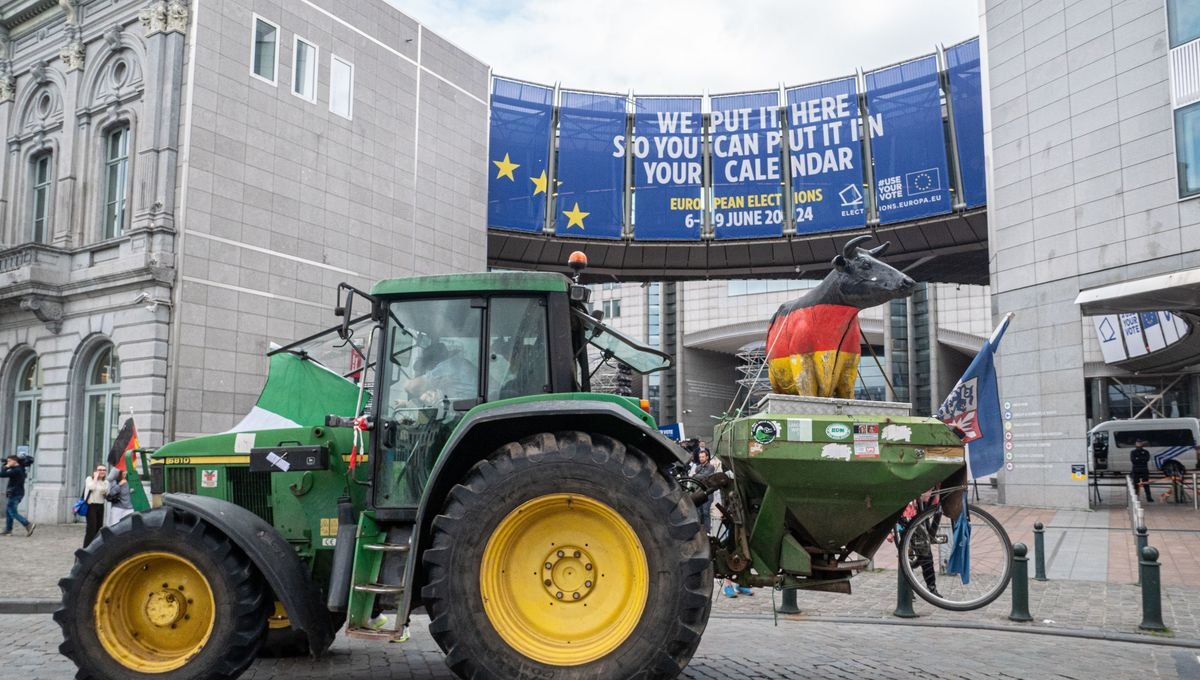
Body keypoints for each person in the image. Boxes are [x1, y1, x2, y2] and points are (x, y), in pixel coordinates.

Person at [0, 455, 35, 537]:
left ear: (14, 461)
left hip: (14, 493)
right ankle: (8, 530)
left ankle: (28, 524)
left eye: (9, 461)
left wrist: (5, 466)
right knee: (9, 512)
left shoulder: (16, 470)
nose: (7, 463)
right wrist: (7, 465)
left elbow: (1, 474)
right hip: (17, 493)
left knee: (12, 512)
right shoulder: (20, 469)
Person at [691, 450, 716, 533]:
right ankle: (700, 530)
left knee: (705, 512)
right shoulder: (698, 467)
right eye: (700, 457)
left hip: (707, 493)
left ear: (707, 457)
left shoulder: (711, 467)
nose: (701, 458)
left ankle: (707, 531)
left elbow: (704, 477)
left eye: (702, 457)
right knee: (699, 512)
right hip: (699, 492)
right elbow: (697, 478)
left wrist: (695, 476)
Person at [83, 464, 108, 546]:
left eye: (104, 470)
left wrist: (105, 491)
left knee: (99, 527)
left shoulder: (105, 481)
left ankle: (95, 547)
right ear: (95, 471)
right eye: (100, 470)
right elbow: (91, 487)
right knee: (91, 528)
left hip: (100, 505)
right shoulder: (89, 479)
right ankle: (86, 547)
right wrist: (96, 478)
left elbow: (106, 494)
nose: (102, 471)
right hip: (91, 506)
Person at [1131, 438, 1153, 503]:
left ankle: (1149, 497)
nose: (1138, 444)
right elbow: (1133, 460)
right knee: (1136, 484)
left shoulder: (1146, 452)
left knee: (1146, 484)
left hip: (1144, 469)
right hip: (1136, 470)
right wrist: (1140, 459)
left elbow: (1146, 459)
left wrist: (1138, 459)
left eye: (1140, 443)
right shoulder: (1133, 452)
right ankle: (1136, 497)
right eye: (1137, 443)